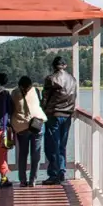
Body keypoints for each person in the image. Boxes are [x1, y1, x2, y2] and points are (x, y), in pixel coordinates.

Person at [42, 56, 77, 185]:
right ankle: (61, 172)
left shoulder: (51, 79)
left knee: (52, 145)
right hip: (68, 115)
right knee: (62, 145)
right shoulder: (72, 79)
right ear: (65, 65)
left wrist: (43, 111)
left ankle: (54, 174)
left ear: (54, 66)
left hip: (54, 114)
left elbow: (45, 98)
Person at [10, 76, 47, 187]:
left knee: (23, 154)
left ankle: (22, 180)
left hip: (21, 126)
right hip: (37, 124)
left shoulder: (14, 93)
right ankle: (33, 180)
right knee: (36, 154)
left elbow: (11, 108)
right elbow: (40, 104)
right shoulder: (35, 90)